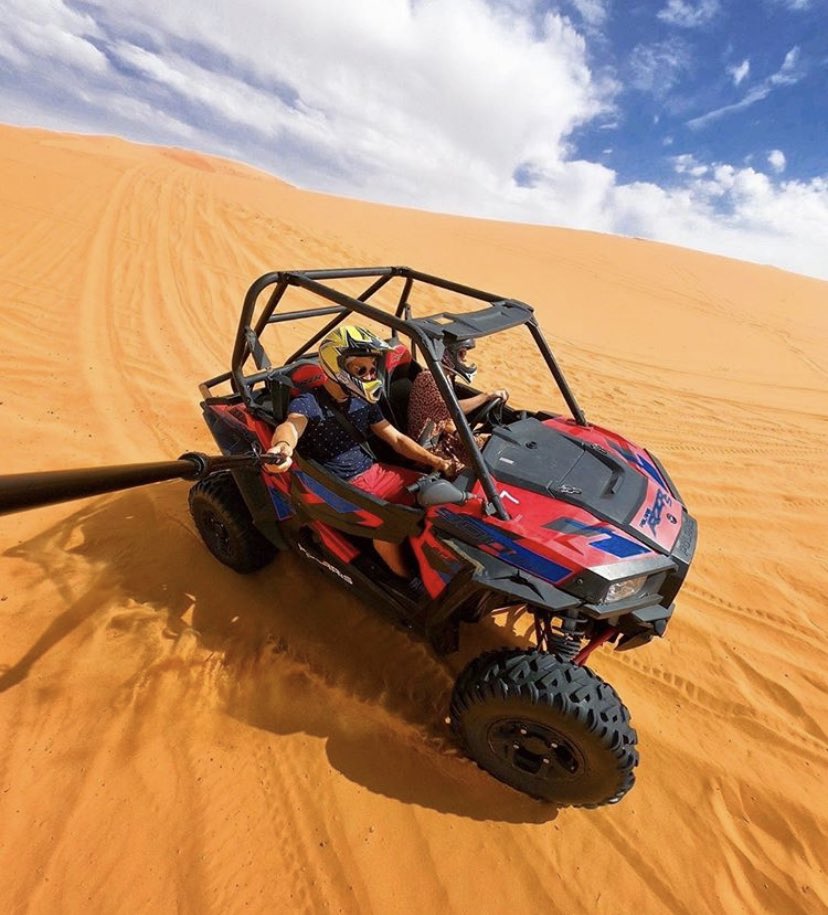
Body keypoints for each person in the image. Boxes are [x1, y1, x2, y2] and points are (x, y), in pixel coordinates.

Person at [265, 325, 453, 583]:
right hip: (340, 487)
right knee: (388, 527)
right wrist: (282, 448)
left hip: (375, 472)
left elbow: (396, 439)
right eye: (360, 370)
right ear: (336, 366)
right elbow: (291, 426)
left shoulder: (363, 400)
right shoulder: (310, 402)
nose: (368, 376)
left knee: (437, 492)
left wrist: (437, 462)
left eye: (372, 369)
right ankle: (406, 582)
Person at [406, 338, 508, 467]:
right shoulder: (429, 379)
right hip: (428, 452)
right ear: (447, 354)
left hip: (442, 437)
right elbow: (450, 410)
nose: (464, 360)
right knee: (477, 470)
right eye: (461, 354)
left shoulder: (445, 377)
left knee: (494, 444)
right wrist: (486, 396)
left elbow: (447, 418)